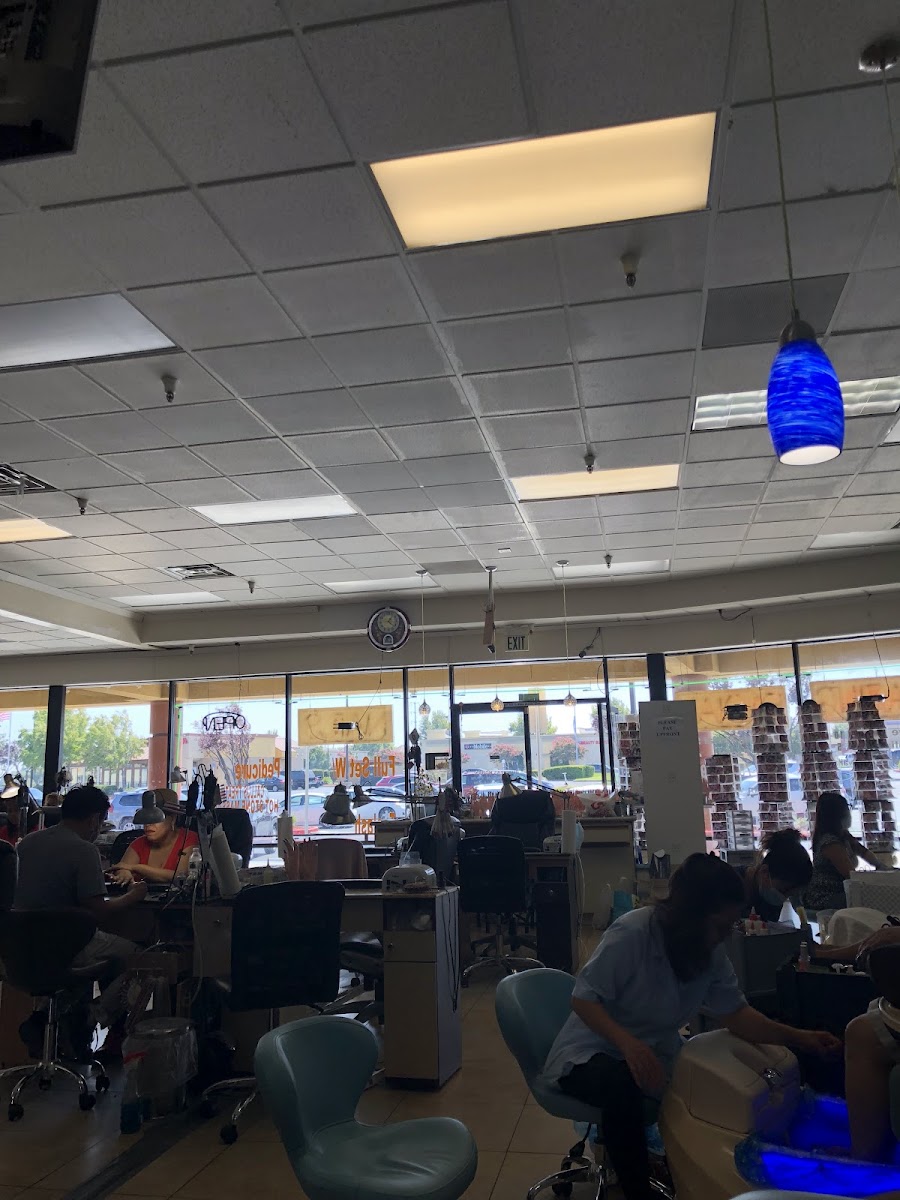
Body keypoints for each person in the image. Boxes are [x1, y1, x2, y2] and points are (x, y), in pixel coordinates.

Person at [540, 853, 841, 1200]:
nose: (725, 936)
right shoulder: (633, 932)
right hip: (593, 1048)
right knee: (623, 1088)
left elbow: (737, 1016)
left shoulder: (707, 950)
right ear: (691, 915)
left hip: (652, 1048)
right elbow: (583, 1000)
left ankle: (700, 1173)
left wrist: (800, 1039)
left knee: (708, 1088)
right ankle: (636, 1190)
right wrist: (628, 1045)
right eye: (720, 926)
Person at [14, 785, 147, 1051]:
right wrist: (134, 895)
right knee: (141, 959)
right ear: (94, 819)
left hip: (20, 949)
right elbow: (98, 910)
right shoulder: (83, 850)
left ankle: (45, 1018)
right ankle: (92, 1016)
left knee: (89, 965)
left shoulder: (28, 843)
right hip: (66, 944)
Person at [806, 791, 886, 913]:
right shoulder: (830, 843)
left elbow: (863, 852)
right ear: (838, 815)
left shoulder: (843, 835)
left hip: (842, 892)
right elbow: (851, 875)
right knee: (877, 899)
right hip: (827, 897)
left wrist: (882, 867)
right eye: (847, 809)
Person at [113, 792, 198, 885]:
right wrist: (124, 873)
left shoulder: (189, 839)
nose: (148, 824)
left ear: (172, 819)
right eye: (146, 818)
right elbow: (121, 867)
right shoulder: (138, 844)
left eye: (155, 818)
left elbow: (180, 875)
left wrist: (136, 868)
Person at [736, 827, 813, 923]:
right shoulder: (726, 885)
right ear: (764, 872)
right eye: (783, 890)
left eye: (789, 895)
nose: (783, 898)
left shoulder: (771, 900)